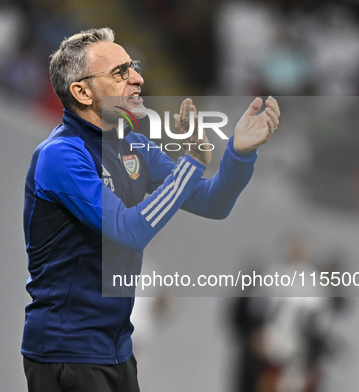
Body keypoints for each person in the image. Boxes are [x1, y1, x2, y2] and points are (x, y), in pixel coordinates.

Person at [22, 27, 280, 392]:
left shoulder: (133, 147)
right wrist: (190, 163)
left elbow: (212, 202)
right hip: (67, 352)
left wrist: (239, 153)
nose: (138, 79)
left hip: (116, 351)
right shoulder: (61, 156)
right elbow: (130, 230)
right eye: (119, 72)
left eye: (134, 67)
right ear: (81, 91)